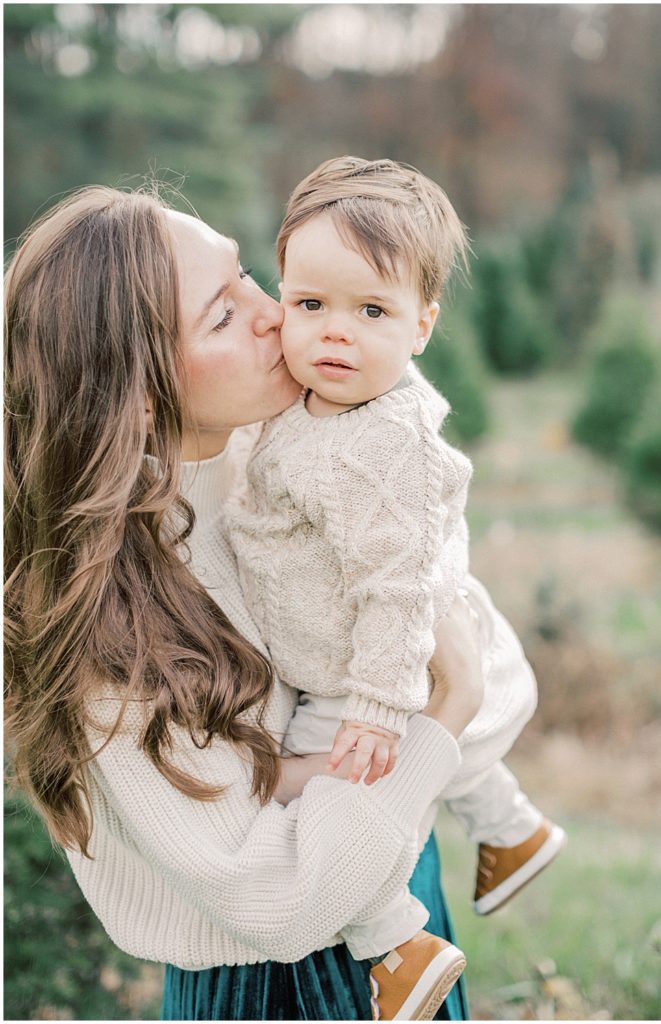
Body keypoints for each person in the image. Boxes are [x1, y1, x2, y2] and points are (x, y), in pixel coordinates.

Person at [4, 184, 485, 1022]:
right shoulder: (102, 620)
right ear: (141, 393)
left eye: (248, 277)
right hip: (279, 983)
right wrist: (448, 705)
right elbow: (272, 894)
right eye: (221, 315)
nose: (272, 314)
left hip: (399, 891)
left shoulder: (269, 459)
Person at [227, 157, 567, 1020]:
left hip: (362, 673)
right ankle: (509, 827)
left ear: (423, 323)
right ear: (281, 296)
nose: (334, 334)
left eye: (370, 312)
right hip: (342, 653)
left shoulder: (384, 446)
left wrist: (378, 705)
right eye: (310, 306)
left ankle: (391, 943)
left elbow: (397, 588)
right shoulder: (308, 401)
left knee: (322, 800)